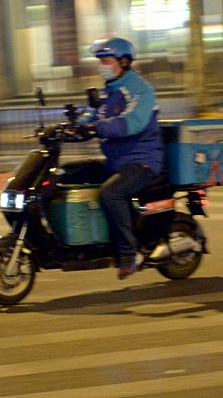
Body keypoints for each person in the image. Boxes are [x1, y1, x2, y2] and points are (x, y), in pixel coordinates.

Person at [61, 36, 164, 280]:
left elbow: (132, 122)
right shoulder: (110, 93)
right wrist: (71, 128)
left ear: (124, 62)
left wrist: (97, 128)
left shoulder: (140, 90)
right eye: (99, 61)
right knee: (64, 174)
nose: (102, 65)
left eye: (106, 60)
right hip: (116, 162)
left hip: (142, 162)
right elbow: (92, 117)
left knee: (111, 193)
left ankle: (129, 254)